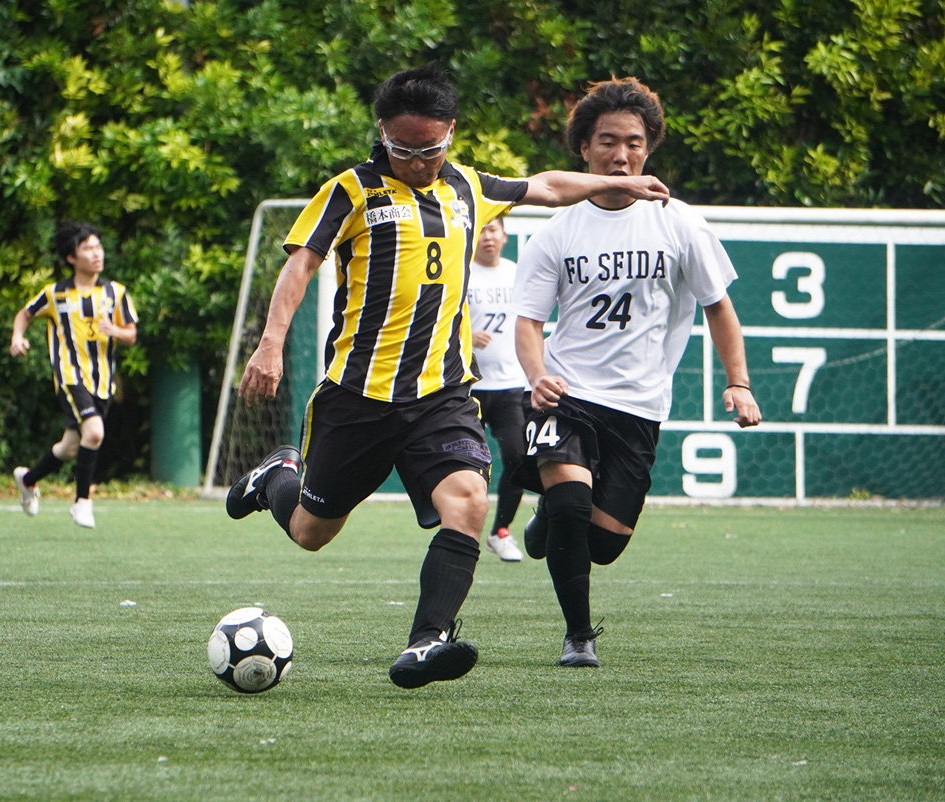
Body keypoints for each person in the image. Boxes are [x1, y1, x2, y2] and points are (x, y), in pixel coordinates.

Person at [225, 64, 669, 689]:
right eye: (404, 149)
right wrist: (269, 345)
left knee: (467, 501)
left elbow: (543, 185)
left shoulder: (466, 185)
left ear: (450, 134)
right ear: (383, 133)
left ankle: (426, 642)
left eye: (431, 148)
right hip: (357, 397)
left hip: (442, 395)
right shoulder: (349, 191)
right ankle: (279, 473)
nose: (418, 161)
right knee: (309, 532)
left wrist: (614, 181)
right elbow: (300, 267)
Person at [511, 77, 762, 668]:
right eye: (606, 142)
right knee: (574, 506)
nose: (620, 155)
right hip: (566, 394)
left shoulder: (679, 223)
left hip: (639, 406)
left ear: (648, 149)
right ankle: (579, 637)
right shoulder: (558, 231)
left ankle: (547, 513)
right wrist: (537, 373)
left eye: (633, 142)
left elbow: (718, 306)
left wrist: (739, 382)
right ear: (584, 149)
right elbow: (527, 321)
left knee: (601, 544)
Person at [9, 222, 138, 529]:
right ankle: (82, 501)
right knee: (94, 433)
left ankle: (27, 480)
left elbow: (131, 335)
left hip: (102, 381)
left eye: (98, 247)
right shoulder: (55, 294)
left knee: (70, 446)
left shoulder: (115, 293)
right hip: (70, 376)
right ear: (71, 257)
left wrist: (115, 331)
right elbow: (25, 314)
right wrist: (17, 337)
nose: (97, 254)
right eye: (88, 249)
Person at [467, 216, 526, 562]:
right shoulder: (460, 272)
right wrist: (466, 336)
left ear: (504, 235)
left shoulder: (518, 273)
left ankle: (500, 532)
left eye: (493, 229)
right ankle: (461, 531)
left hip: (510, 385)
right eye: (482, 230)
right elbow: (439, 319)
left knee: (518, 459)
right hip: (469, 386)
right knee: (465, 466)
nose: (488, 236)